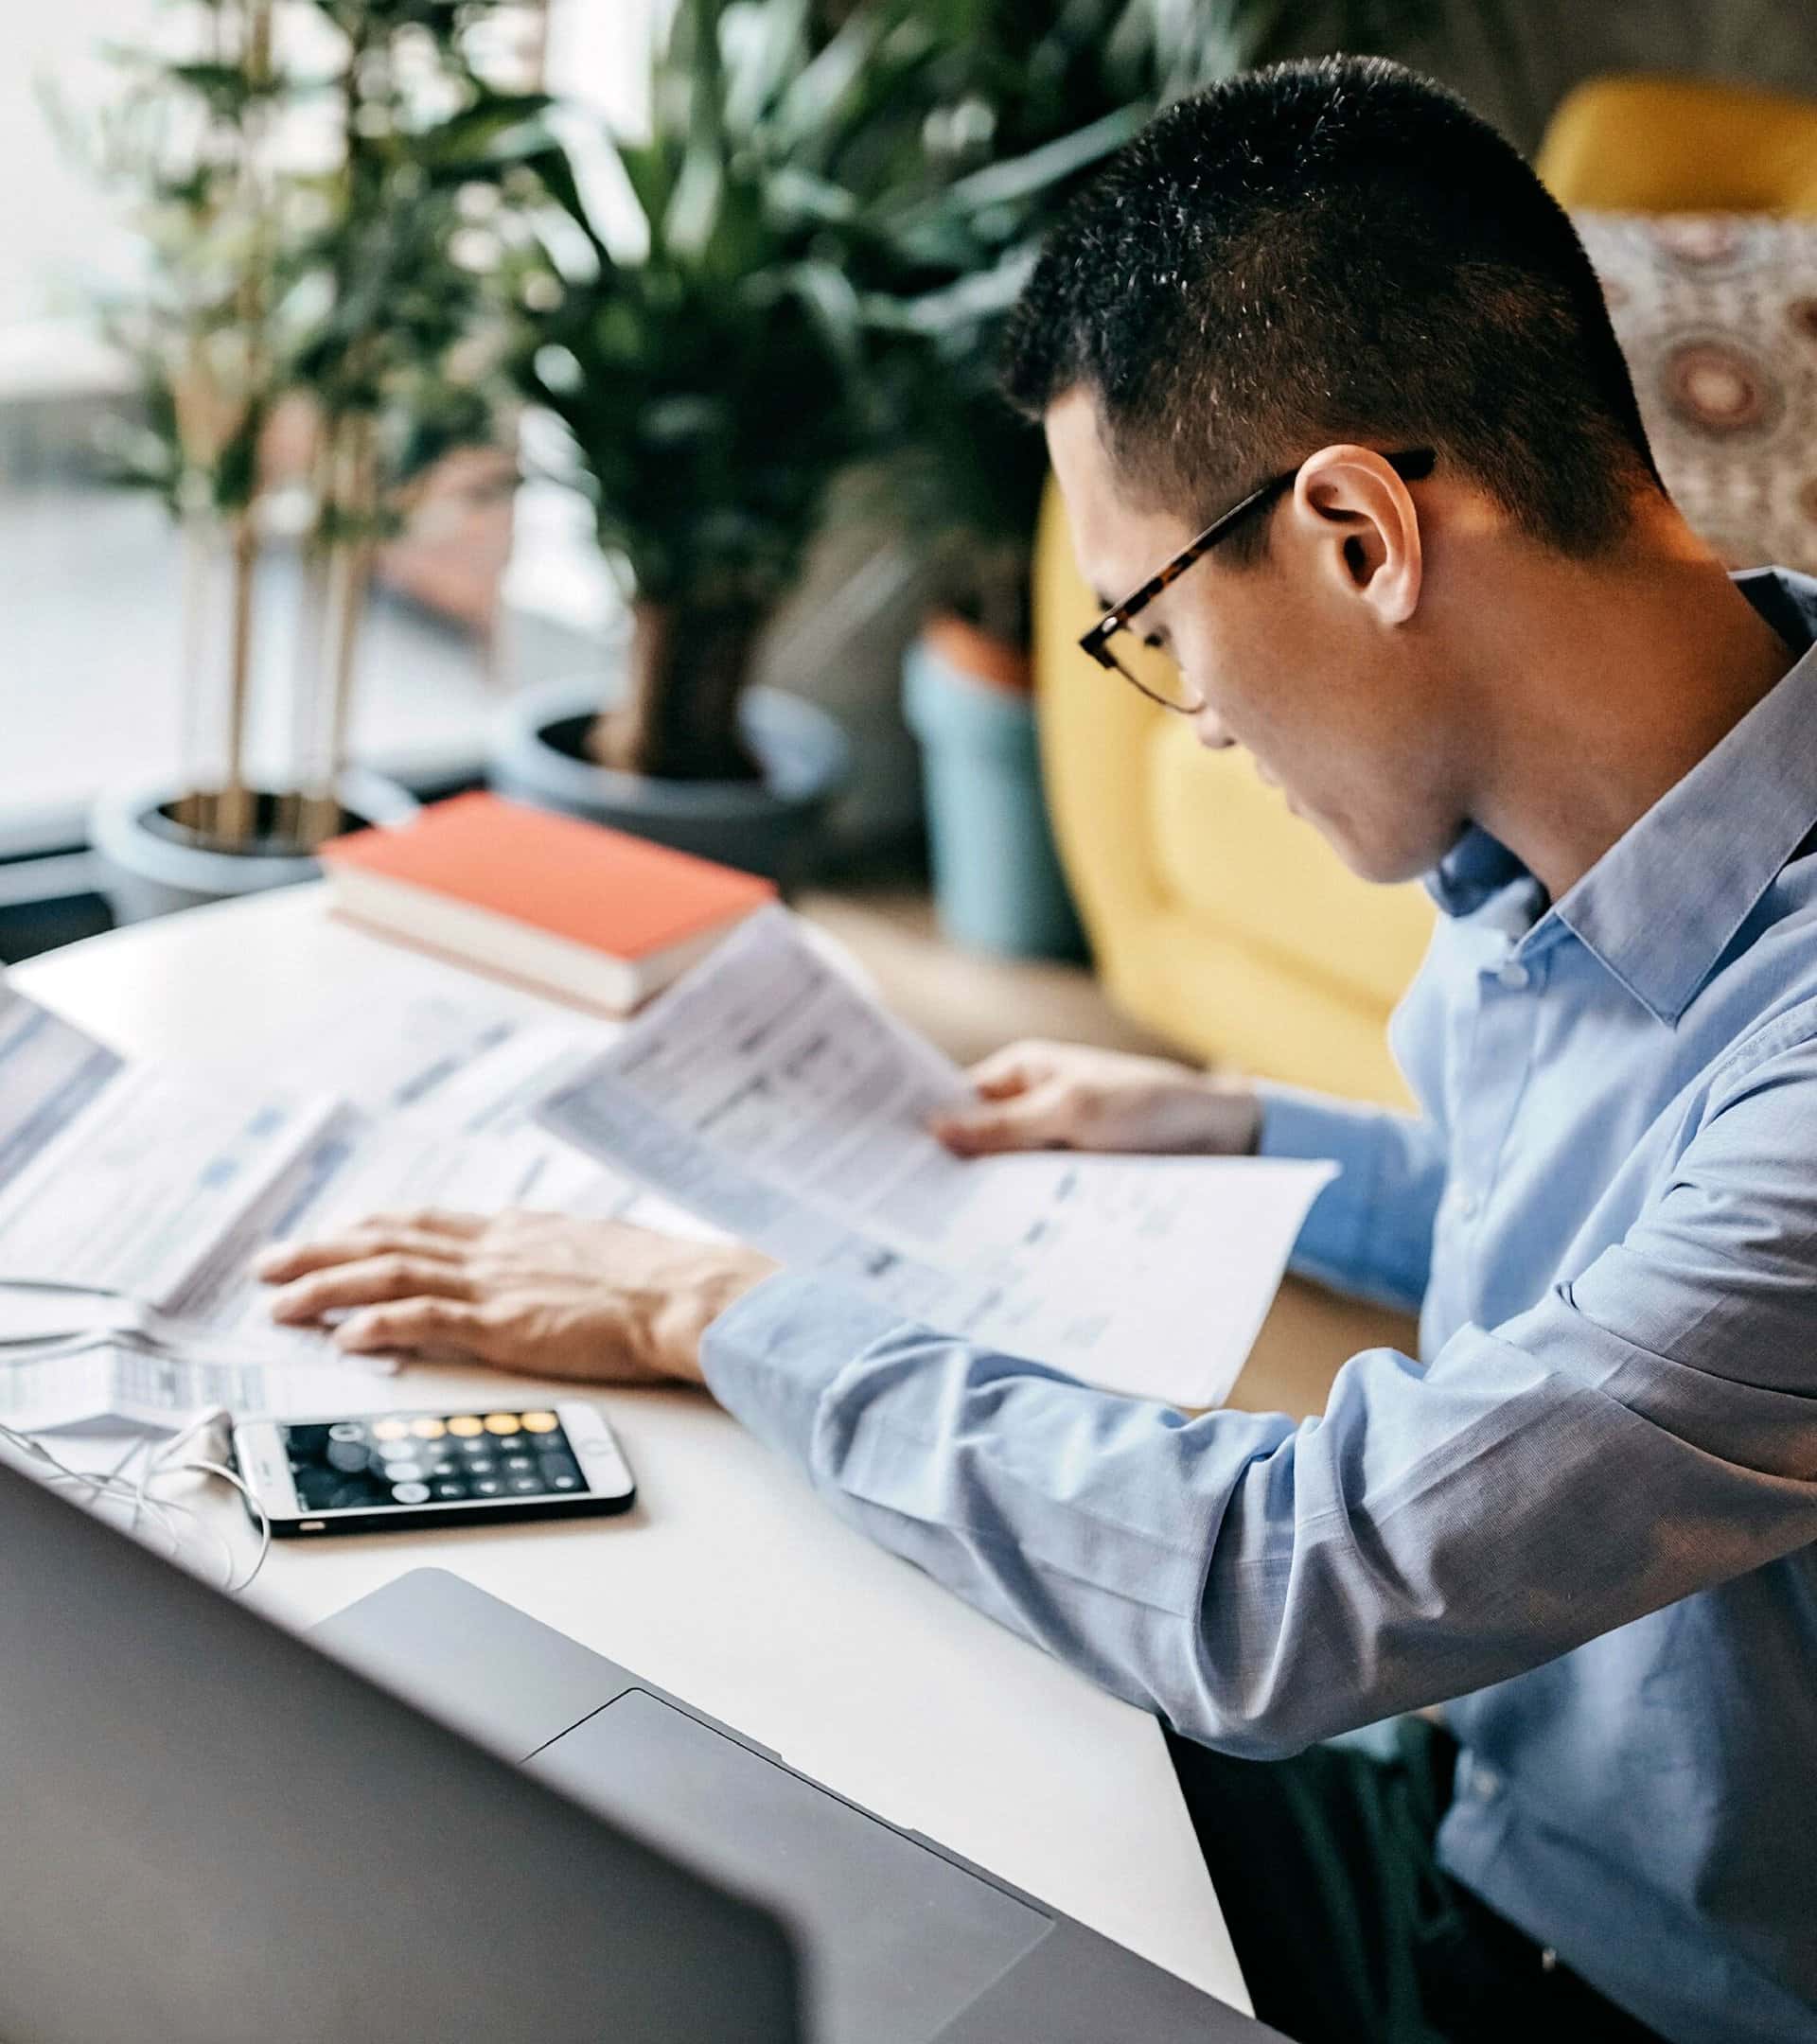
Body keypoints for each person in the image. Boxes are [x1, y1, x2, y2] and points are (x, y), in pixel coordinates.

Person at [256, 57, 1817, 2044]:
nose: (1197, 721)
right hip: (1467, 1802)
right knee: (831, 1764)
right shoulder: (1612, 834)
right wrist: (1234, 1123)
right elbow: (1590, 1245)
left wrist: (716, 1310)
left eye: (1150, 618)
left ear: (1357, 533)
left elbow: (1301, 1588)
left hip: (1614, 1989)